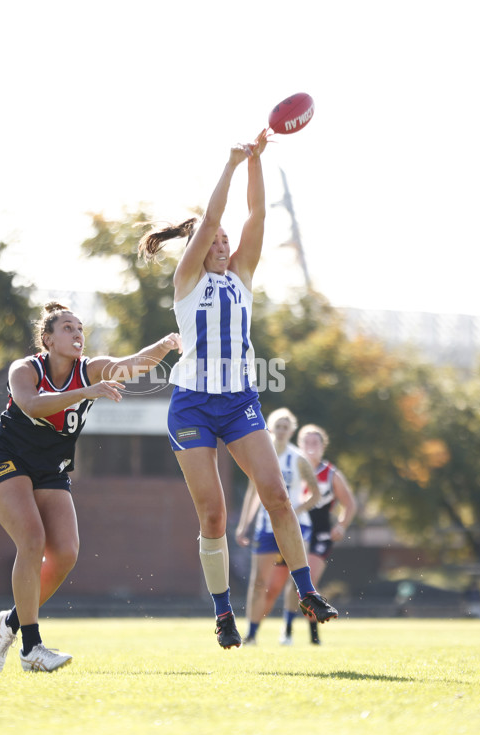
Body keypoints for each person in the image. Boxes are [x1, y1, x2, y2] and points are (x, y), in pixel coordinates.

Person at [138, 130, 338, 649]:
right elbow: (210, 221)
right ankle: (223, 614)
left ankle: (308, 592)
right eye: (216, 242)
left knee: (277, 494)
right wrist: (228, 165)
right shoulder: (188, 282)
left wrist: (255, 162)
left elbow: (257, 217)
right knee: (215, 514)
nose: (224, 244)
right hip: (192, 406)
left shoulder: (242, 276)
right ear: (201, 251)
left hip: (240, 402)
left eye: (228, 241)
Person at [0, 301, 181, 672]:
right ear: (47, 339)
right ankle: (31, 648)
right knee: (32, 539)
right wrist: (86, 393)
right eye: (68, 328)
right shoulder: (25, 368)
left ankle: (9, 624)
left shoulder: (91, 370)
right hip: (3, 457)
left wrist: (164, 344)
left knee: (66, 553)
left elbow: (134, 364)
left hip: (49, 466)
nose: (77, 335)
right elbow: (32, 405)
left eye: (80, 329)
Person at [235, 408, 320, 645]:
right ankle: (251, 634)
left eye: (286, 427)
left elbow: (315, 494)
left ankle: (289, 630)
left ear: (292, 430)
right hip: (266, 528)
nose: (282, 431)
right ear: (270, 428)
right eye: (278, 426)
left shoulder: (299, 458)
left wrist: (295, 511)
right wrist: (244, 525)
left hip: (297, 528)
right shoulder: (261, 456)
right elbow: (253, 493)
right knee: (259, 581)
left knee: (297, 581)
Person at [289, 423, 357, 645]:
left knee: (310, 580)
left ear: (323, 446)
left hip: (320, 532)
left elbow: (349, 504)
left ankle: (313, 636)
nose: (310, 446)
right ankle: (287, 629)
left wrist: (341, 525)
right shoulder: (292, 469)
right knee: (291, 583)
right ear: (299, 445)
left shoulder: (330, 474)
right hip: (296, 529)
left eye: (315, 442)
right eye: (306, 442)